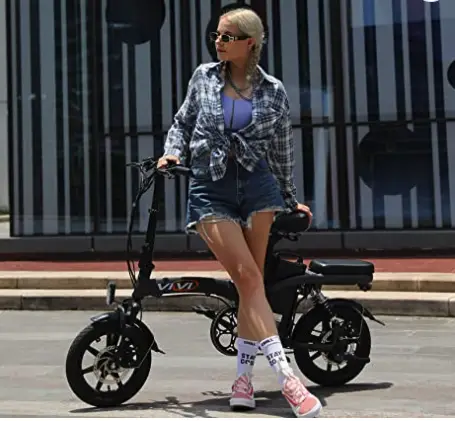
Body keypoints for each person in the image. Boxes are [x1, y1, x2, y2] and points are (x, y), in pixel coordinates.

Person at [157, 7, 322, 418]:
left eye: (228, 36)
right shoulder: (204, 77)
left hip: (258, 187)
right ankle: (289, 381)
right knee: (248, 276)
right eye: (217, 34)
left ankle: (243, 382)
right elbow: (183, 121)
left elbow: (282, 149)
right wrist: (171, 152)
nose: (219, 41)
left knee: (252, 285)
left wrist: (290, 196)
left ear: (250, 42)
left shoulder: (273, 91)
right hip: (210, 187)